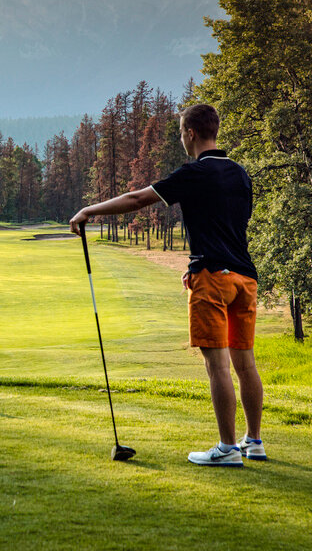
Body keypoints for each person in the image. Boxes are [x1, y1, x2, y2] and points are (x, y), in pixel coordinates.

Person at [70, 103, 265, 467]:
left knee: (217, 366)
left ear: (190, 133)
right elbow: (230, 225)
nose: (180, 138)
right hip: (245, 279)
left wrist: (89, 211)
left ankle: (227, 449)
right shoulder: (240, 174)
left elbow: (136, 199)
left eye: (180, 132)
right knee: (245, 363)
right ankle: (253, 441)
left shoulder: (194, 173)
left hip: (213, 280)